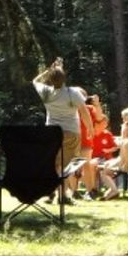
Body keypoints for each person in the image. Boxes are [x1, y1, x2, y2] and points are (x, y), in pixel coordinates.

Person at [33, 57, 92, 204]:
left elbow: (35, 81)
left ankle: (51, 193)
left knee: (53, 164)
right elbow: (84, 111)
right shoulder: (73, 93)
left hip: (51, 133)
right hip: (71, 133)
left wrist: (48, 70)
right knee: (67, 165)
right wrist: (90, 128)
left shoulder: (46, 92)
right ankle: (63, 196)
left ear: (50, 80)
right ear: (64, 78)